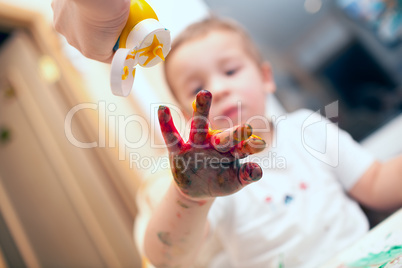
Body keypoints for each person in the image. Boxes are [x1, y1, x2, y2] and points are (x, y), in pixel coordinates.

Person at [52, 4, 402, 267]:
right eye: (198, 87)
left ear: (266, 77)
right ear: (192, 115)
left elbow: (375, 183)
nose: (217, 89)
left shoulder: (306, 129)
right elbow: (167, 256)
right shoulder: (213, 178)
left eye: (231, 70)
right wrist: (190, 198)